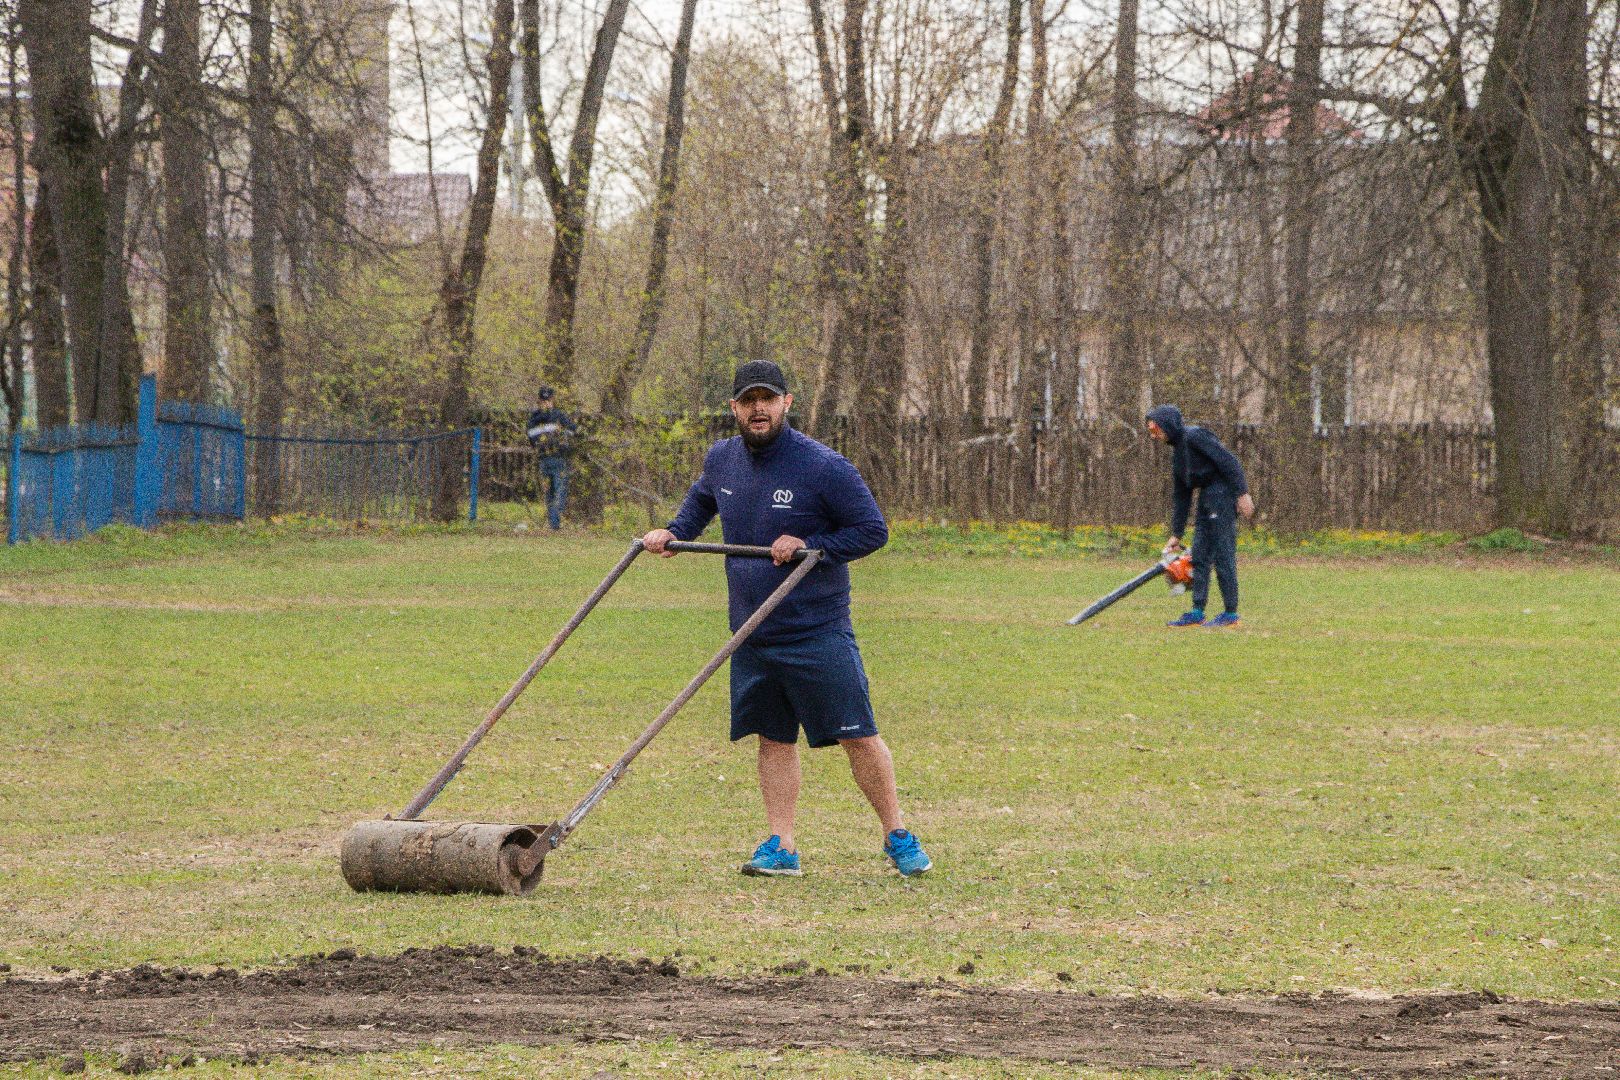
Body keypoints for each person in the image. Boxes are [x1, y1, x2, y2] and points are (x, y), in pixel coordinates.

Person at [641, 360, 932, 878]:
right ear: (734, 407)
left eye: (767, 399)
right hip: (752, 629)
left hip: (815, 631)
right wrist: (672, 532)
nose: (758, 409)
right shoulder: (722, 459)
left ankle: (897, 835)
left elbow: (871, 531)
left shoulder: (824, 467)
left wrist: (810, 545)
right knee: (773, 737)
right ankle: (782, 845)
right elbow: (700, 503)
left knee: (858, 735)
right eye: (748, 400)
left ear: (786, 404)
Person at [1146, 404, 1256, 628]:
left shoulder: (1196, 436)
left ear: (1167, 425)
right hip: (1206, 499)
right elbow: (1182, 495)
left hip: (1223, 495)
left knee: (1223, 554)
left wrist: (1242, 494)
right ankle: (1197, 611)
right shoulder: (1178, 454)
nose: (1153, 435)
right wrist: (1176, 533)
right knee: (1199, 557)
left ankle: (1230, 614)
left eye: (1155, 430)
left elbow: (1229, 461)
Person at [526, 386, 577, 530]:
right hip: (557, 458)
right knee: (558, 492)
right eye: (545, 401)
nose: (546, 403)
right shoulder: (558, 416)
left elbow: (531, 437)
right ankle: (554, 524)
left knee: (551, 493)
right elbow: (573, 431)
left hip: (544, 458)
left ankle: (553, 523)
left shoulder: (534, 418)